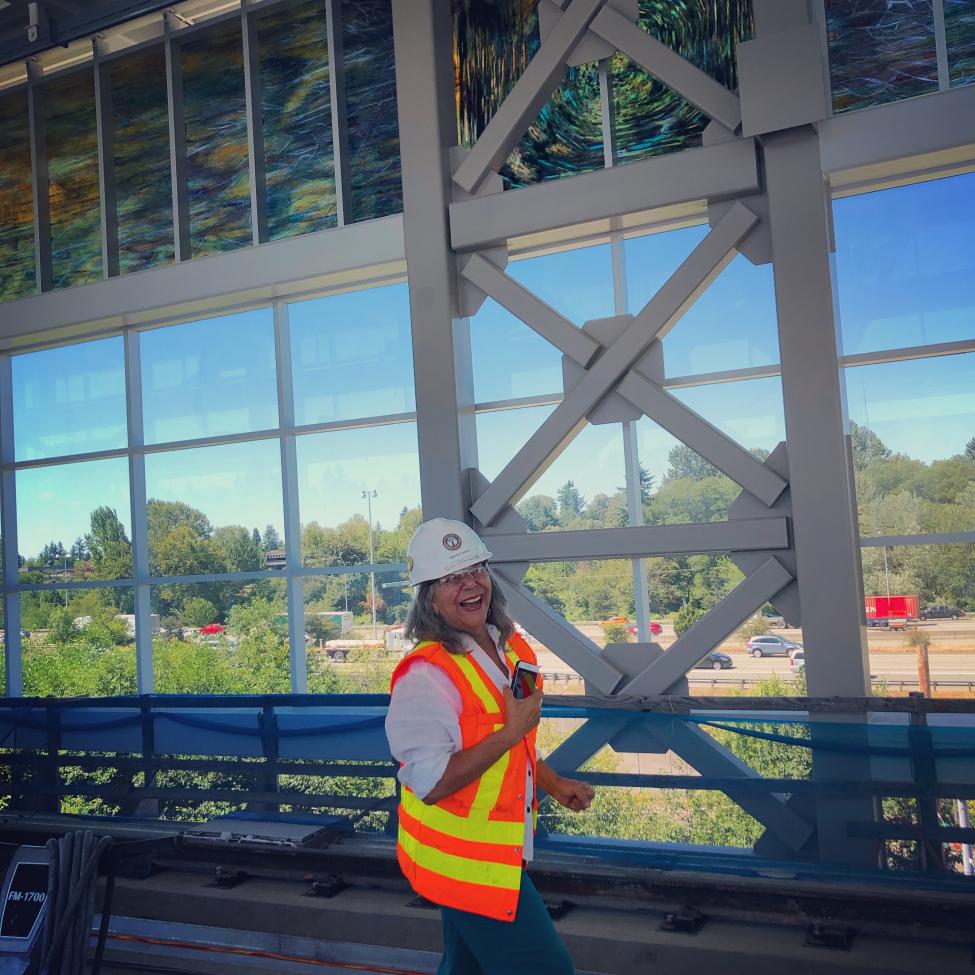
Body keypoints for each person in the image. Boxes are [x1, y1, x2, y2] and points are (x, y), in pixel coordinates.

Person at [385, 517, 595, 975]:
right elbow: (432, 783)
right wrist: (509, 731)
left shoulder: (511, 649)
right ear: (429, 599)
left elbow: (513, 754)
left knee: (466, 968)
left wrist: (553, 782)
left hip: (493, 852)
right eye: (450, 577)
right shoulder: (426, 677)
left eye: (475, 568)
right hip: (469, 867)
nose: (469, 582)